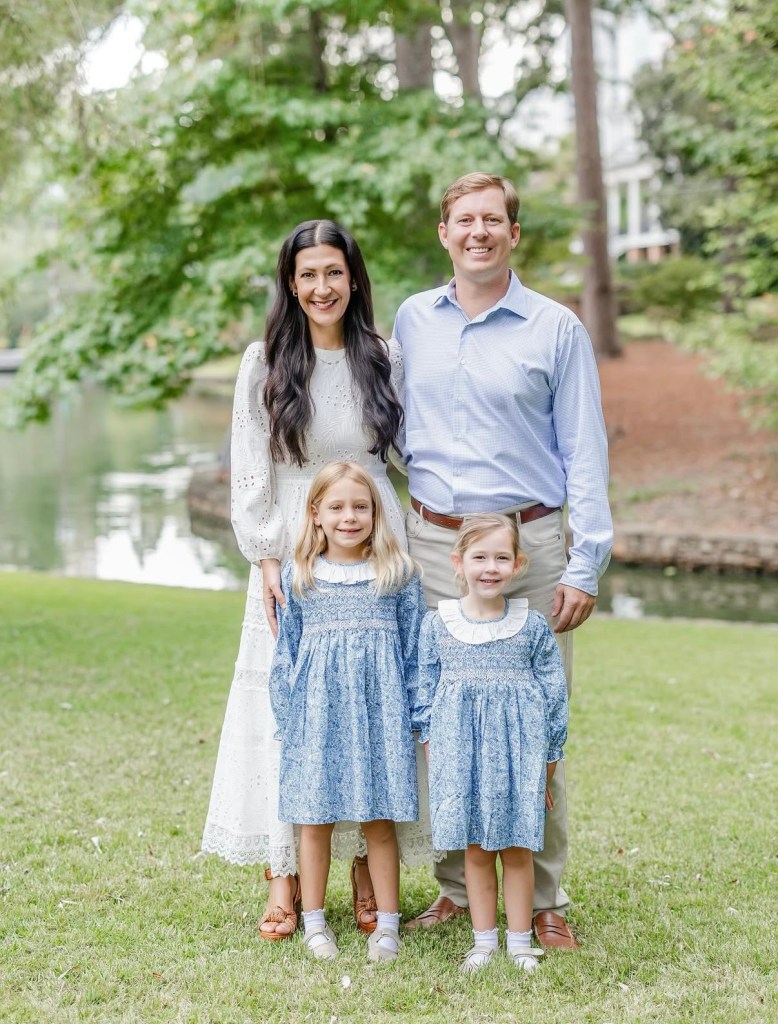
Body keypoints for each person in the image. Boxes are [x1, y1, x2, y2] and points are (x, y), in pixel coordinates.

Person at [393, 171, 612, 949]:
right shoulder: (413, 320)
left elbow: (584, 448)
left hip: (532, 548)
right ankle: (458, 888)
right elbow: (397, 428)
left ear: (513, 234)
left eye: (493, 220)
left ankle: (542, 898)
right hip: (435, 547)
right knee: (442, 720)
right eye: (464, 220)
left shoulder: (556, 328)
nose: (478, 232)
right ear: (444, 233)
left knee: (533, 723)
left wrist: (586, 562)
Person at [201, 220, 409, 941]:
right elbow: (249, 465)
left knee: (370, 702)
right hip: (292, 543)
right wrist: (266, 556)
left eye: (335, 273)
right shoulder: (264, 362)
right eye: (309, 274)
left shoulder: (383, 356)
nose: (323, 287)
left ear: (354, 280)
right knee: (288, 706)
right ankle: (283, 876)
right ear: (291, 284)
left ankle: (366, 870)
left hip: (373, 538)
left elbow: (412, 454)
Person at [269, 461, 426, 962]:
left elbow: (415, 653)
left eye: (360, 506)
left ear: (376, 513)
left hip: (381, 720)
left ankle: (388, 925)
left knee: (379, 821)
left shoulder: (397, 575)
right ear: (316, 513)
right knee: (314, 821)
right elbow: (287, 655)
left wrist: (416, 717)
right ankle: (314, 923)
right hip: (317, 719)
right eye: (336, 507)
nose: (349, 517)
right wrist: (289, 718)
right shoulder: (302, 577)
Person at [416, 514, 568, 973]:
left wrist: (546, 767)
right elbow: (424, 694)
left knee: (518, 849)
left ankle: (519, 943)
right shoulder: (438, 625)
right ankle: (483, 942)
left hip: (518, 758)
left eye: (502, 558)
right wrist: (434, 755)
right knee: (477, 850)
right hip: (461, 760)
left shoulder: (531, 626)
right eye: (479, 557)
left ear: (518, 564)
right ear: (458, 563)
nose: (490, 567)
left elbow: (554, 697)